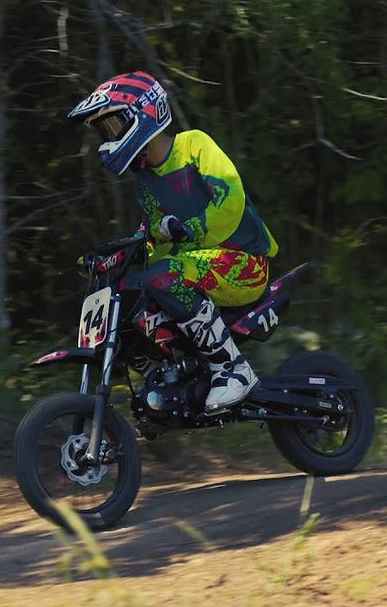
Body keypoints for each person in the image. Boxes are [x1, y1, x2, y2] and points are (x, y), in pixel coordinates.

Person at [68, 71, 279, 415]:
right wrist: (117, 254)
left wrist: (187, 228)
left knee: (163, 276)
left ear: (144, 114)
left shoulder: (194, 145)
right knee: (132, 288)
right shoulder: (145, 179)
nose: (109, 137)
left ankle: (233, 369)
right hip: (196, 269)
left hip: (243, 262)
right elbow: (154, 236)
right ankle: (165, 378)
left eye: (114, 125)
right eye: (104, 130)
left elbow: (231, 199)